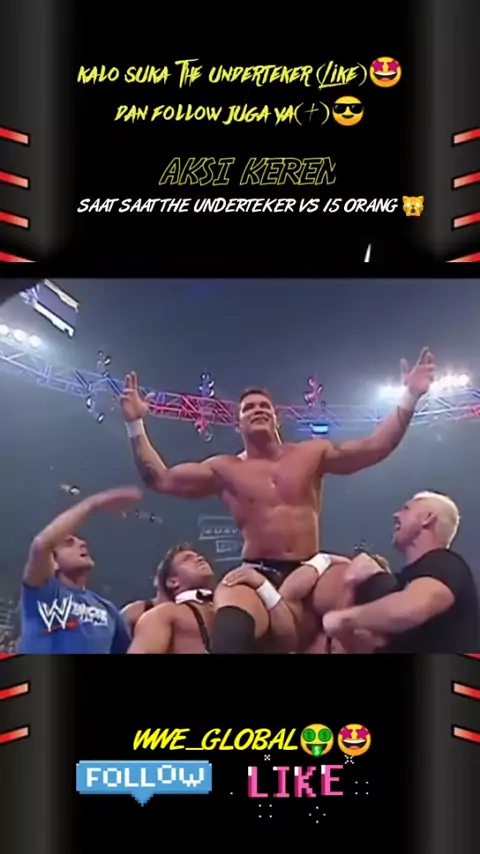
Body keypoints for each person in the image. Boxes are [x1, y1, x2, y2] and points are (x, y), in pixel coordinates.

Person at [120, 349, 435, 653]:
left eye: (264, 406)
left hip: (312, 570)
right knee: (230, 629)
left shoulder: (311, 454)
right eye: (248, 408)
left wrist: (410, 396)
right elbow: (161, 479)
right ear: (238, 424)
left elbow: (374, 448)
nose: (257, 410)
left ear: (276, 418)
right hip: (257, 571)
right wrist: (135, 425)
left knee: (376, 589)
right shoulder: (225, 469)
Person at [323, 491, 480, 653]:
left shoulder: (447, 563)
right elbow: (359, 647)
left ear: (428, 518)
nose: (396, 515)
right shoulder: (400, 587)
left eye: (406, 509)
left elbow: (409, 611)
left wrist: (345, 618)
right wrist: (349, 583)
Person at [18, 487, 141, 654]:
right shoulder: (43, 593)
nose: (82, 544)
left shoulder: (108, 610)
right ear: (53, 561)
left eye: (81, 542)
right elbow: (41, 544)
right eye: (69, 543)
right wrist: (92, 504)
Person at [128, 544, 216, 653]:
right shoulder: (162, 614)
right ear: (173, 582)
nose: (200, 558)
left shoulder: (226, 605)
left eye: (199, 556)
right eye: (187, 559)